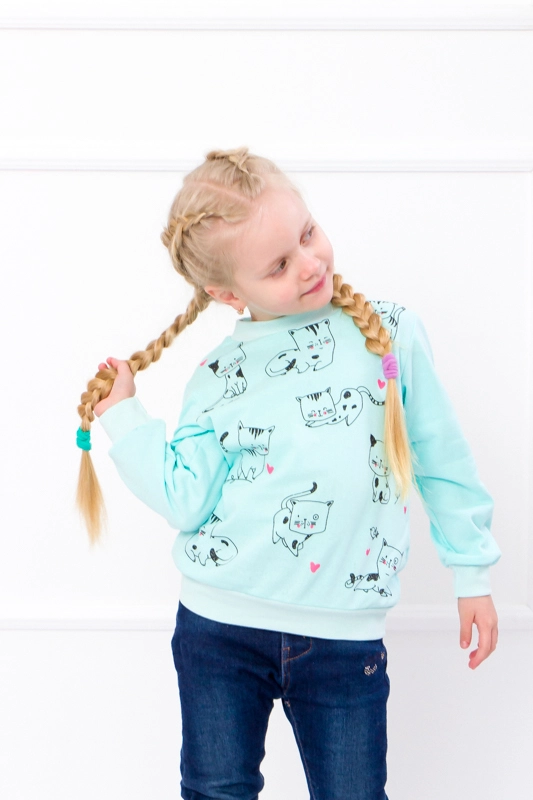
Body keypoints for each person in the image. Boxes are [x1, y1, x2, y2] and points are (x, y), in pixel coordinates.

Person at [76, 146, 501, 800]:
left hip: (342, 641)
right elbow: (185, 500)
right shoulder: (217, 376)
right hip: (218, 631)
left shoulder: (388, 334)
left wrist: (470, 572)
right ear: (227, 294)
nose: (309, 263)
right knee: (216, 790)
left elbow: (441, 457)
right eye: (277, 265)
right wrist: (125, 416)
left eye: (307, 233)